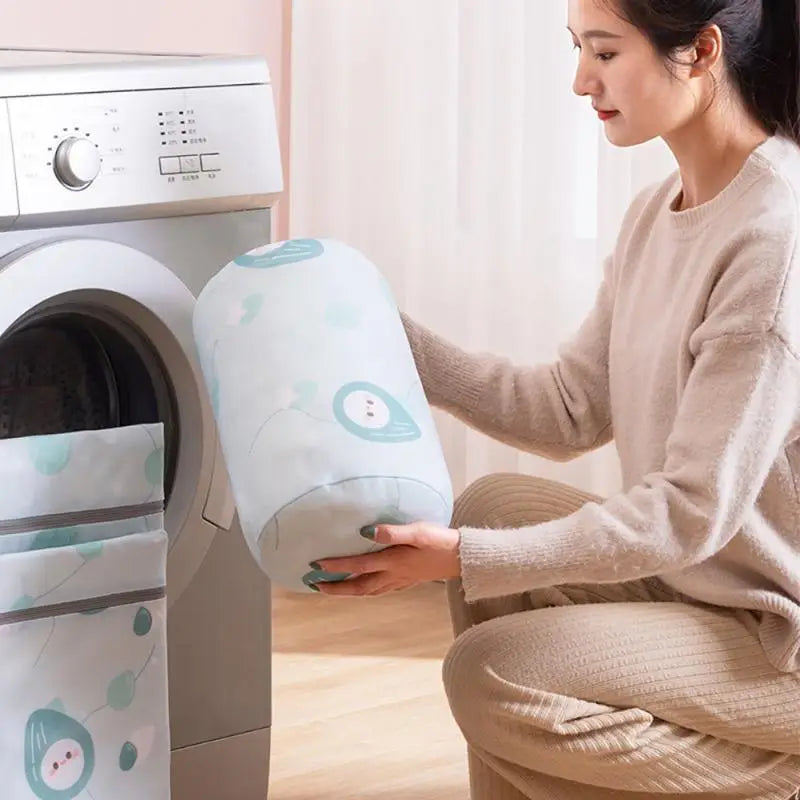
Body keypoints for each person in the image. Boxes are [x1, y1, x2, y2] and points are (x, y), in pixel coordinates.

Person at [310, 0, 800, 797]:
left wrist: (462, 561)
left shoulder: (774, 238)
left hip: (778, 638)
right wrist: (388, 339)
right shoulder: (656, 214)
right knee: (494, 504)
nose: (581, 81)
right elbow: (570, 407)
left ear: (701, 51)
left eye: (604, 53)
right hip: (704, 587)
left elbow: (687, 511)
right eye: (578, 50)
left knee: (493, 671)